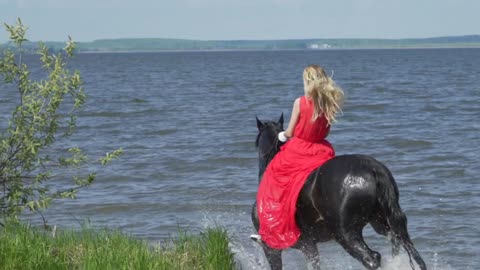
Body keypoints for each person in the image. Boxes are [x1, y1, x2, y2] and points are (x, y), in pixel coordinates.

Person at [251, 64, 344, 249]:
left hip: (300, 149)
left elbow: (291, 132)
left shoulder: (300, 102)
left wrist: (280, 136)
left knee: (271, 181)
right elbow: (325, 130)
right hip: (322, 150)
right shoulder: (328, 102)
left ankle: (269, 231)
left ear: (307, 81)